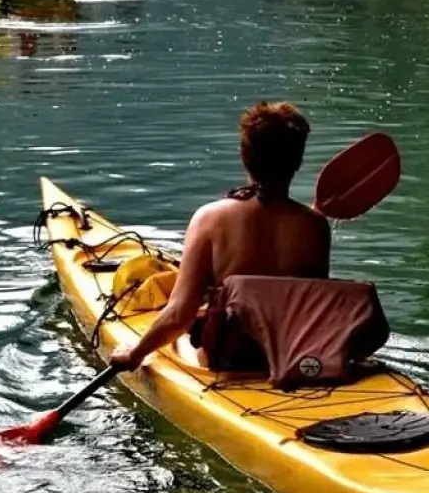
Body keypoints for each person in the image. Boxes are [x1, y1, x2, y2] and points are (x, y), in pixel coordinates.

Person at [109, 101, 332, 373]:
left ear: (244, 156)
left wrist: (135, 353)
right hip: (295, 355)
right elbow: (311, 307)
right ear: (297, 161)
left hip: (231, 359)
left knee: (186, 334)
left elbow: (178, 316)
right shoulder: (316, 226)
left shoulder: (210, 219)